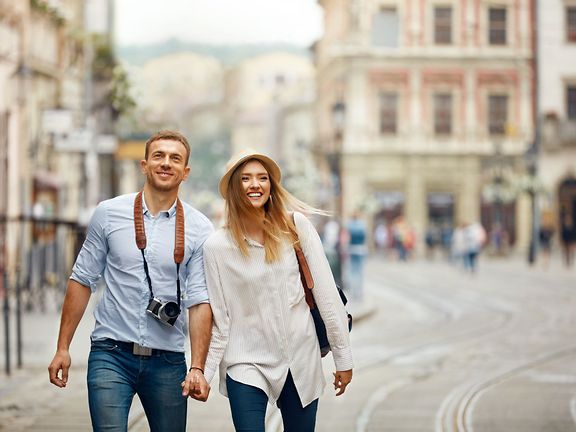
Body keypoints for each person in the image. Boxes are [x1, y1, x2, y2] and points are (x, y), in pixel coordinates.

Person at [48, 130, 214, 431]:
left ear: (186, 172)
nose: (166, 163)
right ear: (144, 165)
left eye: (175, 158)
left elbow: (200, 299)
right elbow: (82, 279)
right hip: (111, 354)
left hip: (168, 361)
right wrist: (63, 347)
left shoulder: (201, 228)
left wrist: (198, 367)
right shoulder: (109, 213)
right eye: (159, 156)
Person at [201, 149, 353, 432]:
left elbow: (327, 297)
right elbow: (220, 321)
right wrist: (204, 373)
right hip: (245, 361)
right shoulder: (216, 247)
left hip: (299, 357)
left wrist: (343, 357)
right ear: (234, 189)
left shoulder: (296, 228)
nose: (254, 184)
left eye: (262, 178)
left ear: (271, 186)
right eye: (245, 178)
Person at [346, 210, 367, 301]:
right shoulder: (362, 225)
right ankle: (359, 291)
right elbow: (364, 237)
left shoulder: (349, 225)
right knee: (359, 272)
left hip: (352, 248)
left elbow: (347, 237)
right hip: (360, 249)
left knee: (352, 271)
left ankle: (353, 291)